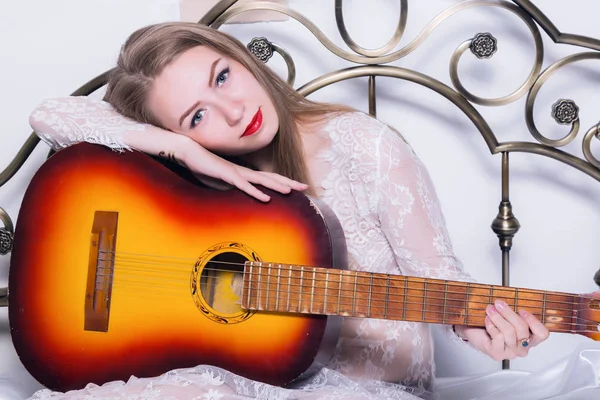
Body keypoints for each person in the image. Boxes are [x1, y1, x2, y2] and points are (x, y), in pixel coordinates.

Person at [27, 22, 550, 400]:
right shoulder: (186, 185)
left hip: (367, 392)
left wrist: (478, 325)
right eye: (197, 115)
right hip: (249, 382)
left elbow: (440, 277)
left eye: (222, 76)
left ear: (241, 57)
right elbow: (48, 114)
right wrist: (185, 152)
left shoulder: (361, 145)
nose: (233, 111)